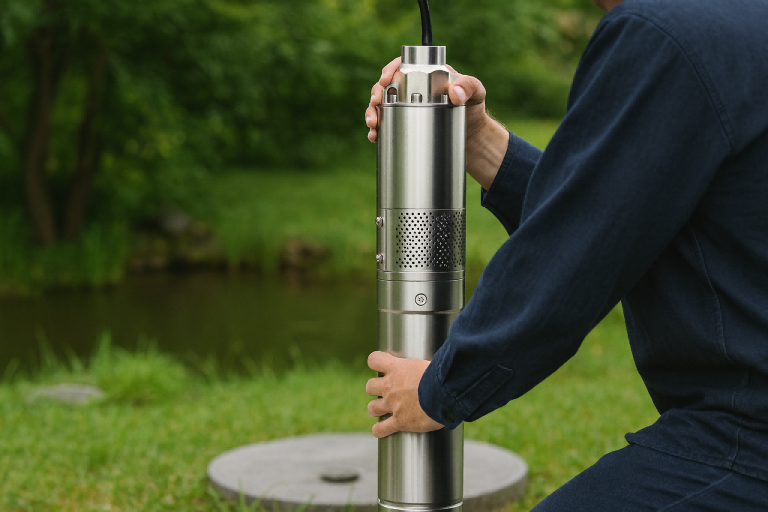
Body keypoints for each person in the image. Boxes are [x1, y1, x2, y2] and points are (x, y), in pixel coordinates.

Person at [363, 0, 768, 509]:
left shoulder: (663, 33)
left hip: (745, 435)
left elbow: (574, 260)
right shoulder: (736, 21)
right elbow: (607, 212)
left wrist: (440, 386)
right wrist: (478, 139)